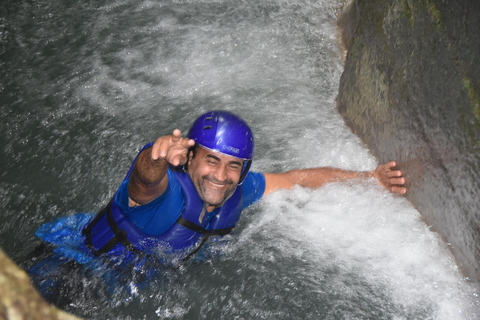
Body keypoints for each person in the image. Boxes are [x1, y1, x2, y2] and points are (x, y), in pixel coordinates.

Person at [79, 110, 406, 262]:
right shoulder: (167, 194)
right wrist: (157, 155)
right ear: (189, 157)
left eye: (233, 165)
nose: (221, 175)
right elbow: (142, 181)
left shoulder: (239, 191)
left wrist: (369, 179)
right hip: (76, 270)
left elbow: (298, 180)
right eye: (211, 160)